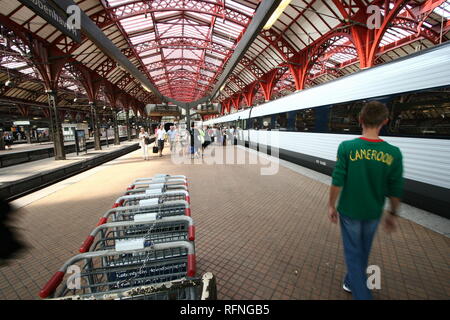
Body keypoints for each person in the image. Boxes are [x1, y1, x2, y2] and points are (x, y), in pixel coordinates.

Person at [328, 101, 403, 300]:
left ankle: (362, 294)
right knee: (362, 250)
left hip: (349, 211)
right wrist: (393, 214)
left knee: (353, 254)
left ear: (360, 120)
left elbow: (338, 180)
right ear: (385, 121)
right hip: (373, 212)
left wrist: (331, 205)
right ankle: (351, 282)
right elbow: (395, 190)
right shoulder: (393, 153)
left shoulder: (347, 147)